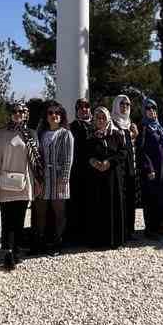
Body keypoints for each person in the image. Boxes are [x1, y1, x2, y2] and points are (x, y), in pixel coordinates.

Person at [0, 101, 43, 270]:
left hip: (25, 182)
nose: (18, 114)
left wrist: (38, 181)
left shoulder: (31, 133)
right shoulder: (1, 134)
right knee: (7, 218)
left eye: (22, 111)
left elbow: (36, 162)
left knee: (19, 218)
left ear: (26, 114)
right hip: (5, 181)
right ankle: (7, 252)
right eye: (15, 111)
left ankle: (16, 250)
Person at [84, 106, 131, 249]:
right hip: (95, 178)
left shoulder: (116, 135)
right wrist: (92, 161)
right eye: (97, 117)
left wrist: (109, 162)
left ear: (108, 118)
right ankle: (98, 241)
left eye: (103, 117)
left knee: (114, 206)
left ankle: (115, 240)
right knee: (97, 207)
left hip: (113, 177)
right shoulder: (90, 136)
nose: (100, 120)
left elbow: (123, 152)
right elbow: (84, 154)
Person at [36, 103, 74, 253]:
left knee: (59, 212)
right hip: (43, 178)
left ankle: (58, 242)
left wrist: (64, 178)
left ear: (61, 116)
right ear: (47, 116)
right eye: (51, 113)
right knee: (40, 212)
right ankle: (40, 241)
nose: (54, 115)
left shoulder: (66, 134)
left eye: (57, 113)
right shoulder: (42, 133)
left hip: (58, 178)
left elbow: (68, 158)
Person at [137, 99, 163, 240]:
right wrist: (148, 168)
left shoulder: (159, 127)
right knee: (151, 199)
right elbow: (142, 150)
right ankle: (150, 229)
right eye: (148, 108)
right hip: (152, 170)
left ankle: (161, 226)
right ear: (144, 110)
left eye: (154, 108)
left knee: (162, 198)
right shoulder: (144, 127)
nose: (151, 111)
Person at [111, 95, 141, 241]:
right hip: (118, 169)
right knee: (120, 200)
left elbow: (133, 147)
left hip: (131, 168)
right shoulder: (112, 123)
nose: (125, 107)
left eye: (128, 104)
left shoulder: (130, 124)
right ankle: (120, 231)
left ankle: (130, 230)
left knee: (130, 200)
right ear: (116, 105)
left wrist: (135, 135)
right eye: (122, 104)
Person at [66, 98, 95, 244]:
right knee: (77, 204)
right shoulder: (72, 127)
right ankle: (76, 236)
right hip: (77, 172)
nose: (84, 109)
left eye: (87, 106)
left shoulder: (96, 125)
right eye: (81, 107)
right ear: (76, 110)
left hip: (94, 172)